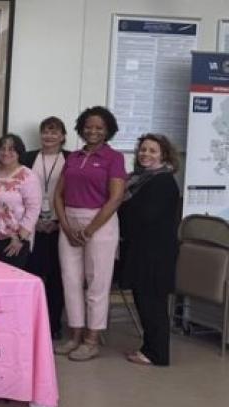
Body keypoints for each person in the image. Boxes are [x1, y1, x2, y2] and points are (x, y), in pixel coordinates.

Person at [52, 106, 127, 362]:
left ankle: (92, 339)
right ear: (81, 128)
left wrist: (90, 229)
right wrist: (65, 224)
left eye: (99, 127)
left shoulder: (113, 158)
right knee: (70, 280)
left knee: (98, 282)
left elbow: (116, 198)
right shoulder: (72, 157)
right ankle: (74, 334)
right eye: (88, 126)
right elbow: (58, 195)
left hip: (100, 223)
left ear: (107, 131)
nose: (92, 131)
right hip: (69, 222)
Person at [118, 134, 181, 366]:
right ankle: (150, 348)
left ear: (163, 155)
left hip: (155, 254)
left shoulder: (162, 181)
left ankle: (156, 354)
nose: (146, 154)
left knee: (152, 303)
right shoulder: (139, 179)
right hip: (143, 250)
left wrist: (122, 204)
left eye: (152, 151)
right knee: (145, 301)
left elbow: (145, 215)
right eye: (143, 150)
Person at [22, 116, 71, 339]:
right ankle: (31, 325)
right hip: (32, 226)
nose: (49, 136)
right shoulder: (28, 157)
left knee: (57, 278)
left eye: (54, 132)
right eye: (45, 131)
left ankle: (53, 327)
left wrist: (58, 221)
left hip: (60, 226)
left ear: (63, 136)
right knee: (34, 275)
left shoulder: (71, 159)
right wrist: (34, 221)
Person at [0, 134, 41, 269]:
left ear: (19, 152)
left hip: (12, 241)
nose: (6, 152)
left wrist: (21, 238)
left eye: (11, 149)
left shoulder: (28, 175)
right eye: (2, 148)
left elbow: (33, 210)